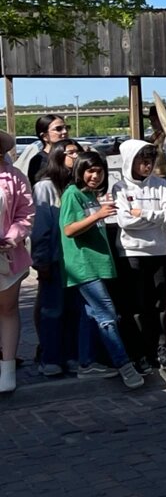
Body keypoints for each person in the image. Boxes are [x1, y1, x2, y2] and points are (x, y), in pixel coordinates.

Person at [61, 152, 143, 386]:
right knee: (107, 315)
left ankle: (86, 363)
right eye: (90, 171)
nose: (95, 176)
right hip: (83, 266)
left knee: (91, 316)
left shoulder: (91, 196)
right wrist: (98, 214)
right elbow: (68, 229)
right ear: (79, 171)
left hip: (98, 264)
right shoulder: (72, 194)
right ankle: (124, 365)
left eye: (99, 171)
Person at [109, 138, 166, 371]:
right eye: (142, 160)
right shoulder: (119, 187)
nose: (147, 165)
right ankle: (139, 354)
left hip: (159, 250)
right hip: (131, 252)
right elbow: (126, 221)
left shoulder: (162, 185)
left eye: (150, 160)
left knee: (159, 303)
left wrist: (146, 214)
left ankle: (160, 349)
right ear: (130, 161)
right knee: (136, 305)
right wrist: (156, 215)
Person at [29, 140, 81, 377]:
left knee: (74, 309)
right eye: (71, 152)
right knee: (52, 309)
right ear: (59, 156)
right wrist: (41, 259)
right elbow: (41, 226)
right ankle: (50, 357)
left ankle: (71, 355)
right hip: (55, 257)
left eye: (77, 152)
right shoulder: (45, 187)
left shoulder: (77, 184)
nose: (76, 156)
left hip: (76, 259)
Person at [0, 132, 34, 397]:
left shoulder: (14, 177)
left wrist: (11, 238)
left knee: (8, 309)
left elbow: (25, 213)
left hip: (7, 256)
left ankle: (8, 366)